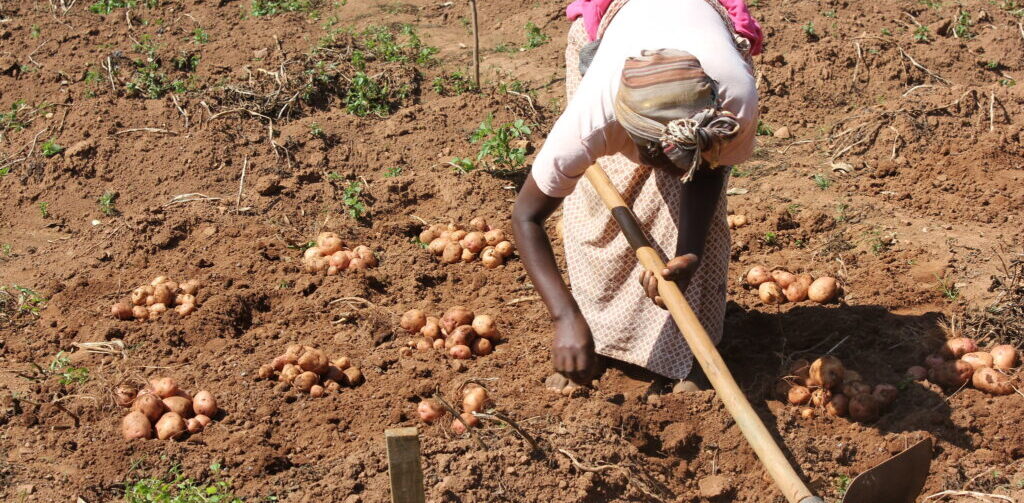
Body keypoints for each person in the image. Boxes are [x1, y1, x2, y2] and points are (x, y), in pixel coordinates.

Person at [511, 0, 762, 390]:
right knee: (597, 213)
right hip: (614, 20)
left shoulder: (733, 103)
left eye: (686, 154)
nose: (674, 168)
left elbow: (708, 171)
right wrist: (563, 316)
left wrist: (691, 253)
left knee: (693, 217)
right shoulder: (589, 123)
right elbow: (526, 216)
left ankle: (690, 354)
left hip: (703, 30)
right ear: (625, 132)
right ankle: (590, 334)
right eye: (659, 156)